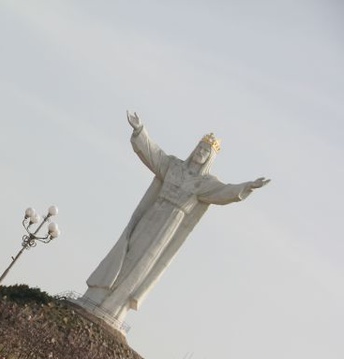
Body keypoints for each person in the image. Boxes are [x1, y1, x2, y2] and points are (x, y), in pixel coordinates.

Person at [81, 111, 270, 323]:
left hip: (168, 227)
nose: (200, 152)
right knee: (128, 251)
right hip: (151, 215)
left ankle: (115, 308)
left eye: (205, 151)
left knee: (142, 264)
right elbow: (153, 153)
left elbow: (225, 192)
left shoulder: (205, 183)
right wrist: (140, 130)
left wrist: (248, 186)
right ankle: (98, 295)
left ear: (210, 157)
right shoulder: (173, 166)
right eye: (199, 148)